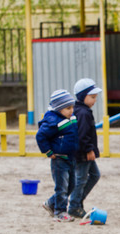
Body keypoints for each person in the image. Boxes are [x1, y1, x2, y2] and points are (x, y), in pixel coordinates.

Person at [36, 89, 79, 222]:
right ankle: (59, 212)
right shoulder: (53, 120)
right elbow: (40, 135)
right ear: (59, 108)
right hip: (59, 159)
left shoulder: (70, 117)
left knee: (72, 185)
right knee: (61, 187)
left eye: (72, 107)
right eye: (68, 108)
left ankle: (50, 203)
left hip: (71, 157)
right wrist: (48, 151)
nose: (71, 110)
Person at [68, 78, 102, 218]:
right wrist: (89, 149)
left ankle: (78, 200)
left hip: (85, 151)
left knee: (95, 175)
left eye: (95, 97)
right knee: (81, 178)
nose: (94, 100)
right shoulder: (82, 112)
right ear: (83, 97)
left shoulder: (84, 110)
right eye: (92, 97)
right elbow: (82, 134)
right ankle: (74, 206)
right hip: (82, 153)